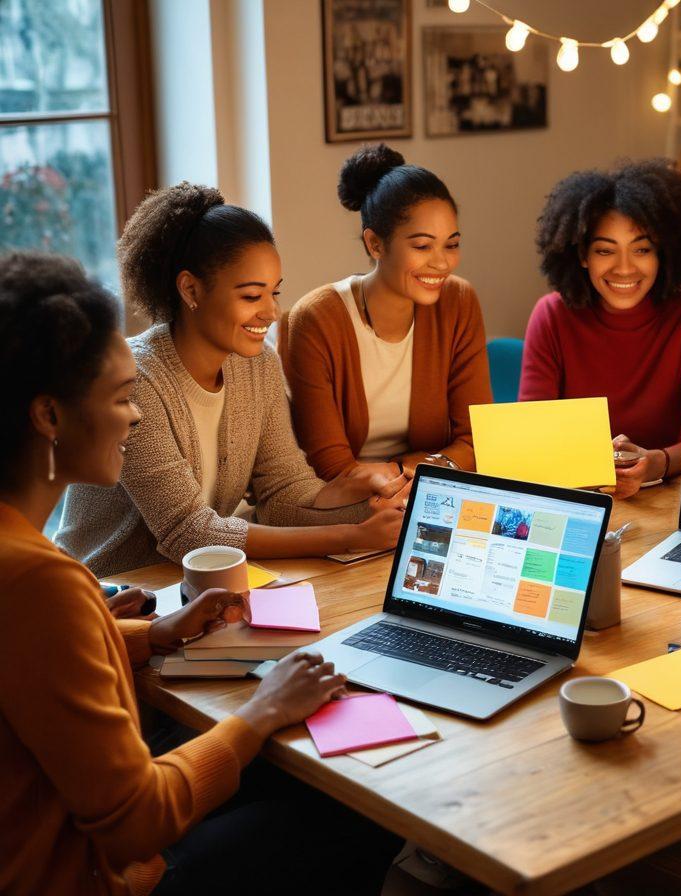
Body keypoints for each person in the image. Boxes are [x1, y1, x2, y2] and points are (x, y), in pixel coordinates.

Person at [0, 251, 398, 896]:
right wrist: (261, 713)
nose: (133, 416)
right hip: (90, 875)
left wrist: (149, 636)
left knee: (297, 774)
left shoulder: (21, 564)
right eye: (122, 398)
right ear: (48, 417)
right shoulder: (42, 583)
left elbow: (28, 661)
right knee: (362, 807)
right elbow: (135, 823)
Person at [56, 183, 408, 578]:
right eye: (251, 296)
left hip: (189, 592)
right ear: (191, 289)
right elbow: (188, 533)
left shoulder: (258, 366)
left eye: (274, 293)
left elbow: (283, 493)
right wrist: (353, 534)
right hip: (104, 589)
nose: (271, 313)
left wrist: (366, 496)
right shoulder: (136, 382)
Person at [280, 144, 492, 481]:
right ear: (375, 244)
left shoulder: (458, 302)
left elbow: (476, 442)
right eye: (422, 246)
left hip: (431, 491)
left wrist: (404, 470)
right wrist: (429, 466)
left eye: (451, 244)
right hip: (346, 506)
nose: (442, 262)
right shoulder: (317, 319)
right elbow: (330, 467)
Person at [521, 159, 681, 498]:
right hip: (576, 494)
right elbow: (532, 438)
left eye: (642, 249)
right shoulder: (551, 316)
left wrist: (654, 463)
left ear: (663, 254)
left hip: (669, 497)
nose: (625, 268)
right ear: (582, 255)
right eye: (605, 251)